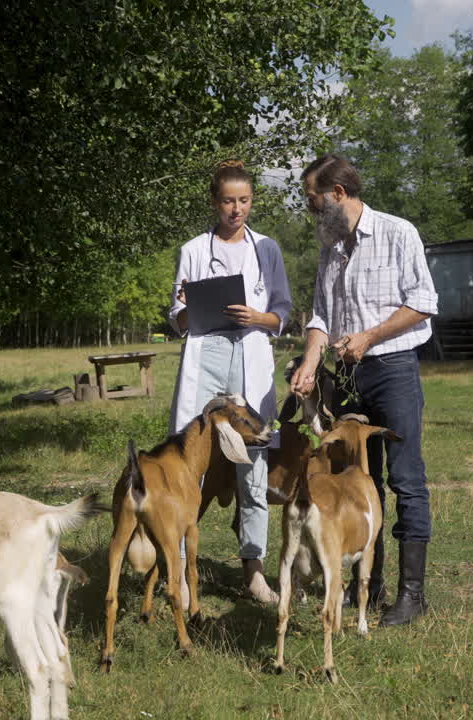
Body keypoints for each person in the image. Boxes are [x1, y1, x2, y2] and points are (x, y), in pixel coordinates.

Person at [289, 153, 438, 626]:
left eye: (314, 202)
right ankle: (367, 588)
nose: (312, 212)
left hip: (392, 369)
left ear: (337, 194)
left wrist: (370, 336)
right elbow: (321, 317)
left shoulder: (398, 232)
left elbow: (424, 302)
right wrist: (311, 362)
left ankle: (413, 596)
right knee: (355, 479)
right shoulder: (331, 249)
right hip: (349, 376)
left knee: (405, 478)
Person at [169, 159, 293, 605]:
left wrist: (256, 317)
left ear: (251, 201)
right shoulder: (192, 250)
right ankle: (180, 571)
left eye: (244, 201)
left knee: (253, 463)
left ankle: (254, 569)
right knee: (188, 460)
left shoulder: (268, 250)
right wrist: (186, 306)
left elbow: (282, 312)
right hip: (207, 354)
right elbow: (178, 319)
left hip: (250, 353)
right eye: (228, 201)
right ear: (214, 202)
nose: (236, 210)